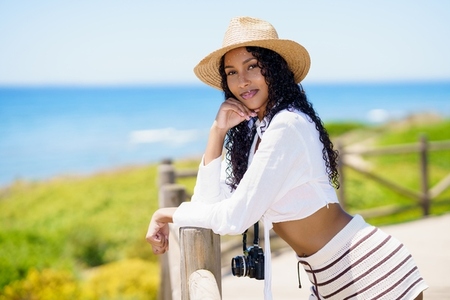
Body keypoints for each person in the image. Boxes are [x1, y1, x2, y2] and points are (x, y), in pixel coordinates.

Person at [146, 16, 428, 299]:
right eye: (231, 72)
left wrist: (165, 214)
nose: (242, 81)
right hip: (327, 280)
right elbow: (209, 204)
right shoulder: (256, 133)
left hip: (369, 270)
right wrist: (217, 132)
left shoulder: (288, 126)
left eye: (252, 66)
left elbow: (234, 218)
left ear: (274, 68)